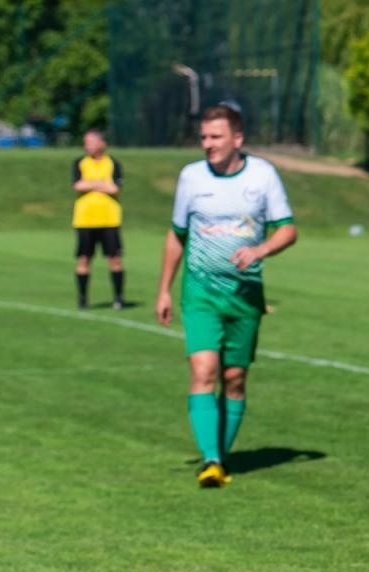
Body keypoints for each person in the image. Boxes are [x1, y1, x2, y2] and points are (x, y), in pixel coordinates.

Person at [155, 104, 297, 489]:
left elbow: (287, 230)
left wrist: (260, 250)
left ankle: (221, 455)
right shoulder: (191, 178)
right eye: (203, 137)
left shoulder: (263, 176)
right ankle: (212, 460)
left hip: (245, 297)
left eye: (215, 137)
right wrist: (164, 289)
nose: (207, 144)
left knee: (234, 379)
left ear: (237, 139)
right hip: (200, 294)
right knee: (204, 371)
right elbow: (177, 234)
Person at [72, 129, 125, 310]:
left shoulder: (113, 164)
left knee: (115, 259)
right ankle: (83, 299)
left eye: (92, 141)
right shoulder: (80, 163)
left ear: (102, 144)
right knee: (84, 259)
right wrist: (101, 184)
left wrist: (91, 184)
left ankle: (118, 298)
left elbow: (115, 188)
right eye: (86, 142)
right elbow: (78, 184)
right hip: (85, 220)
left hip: (109, 219)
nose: (88, 145)